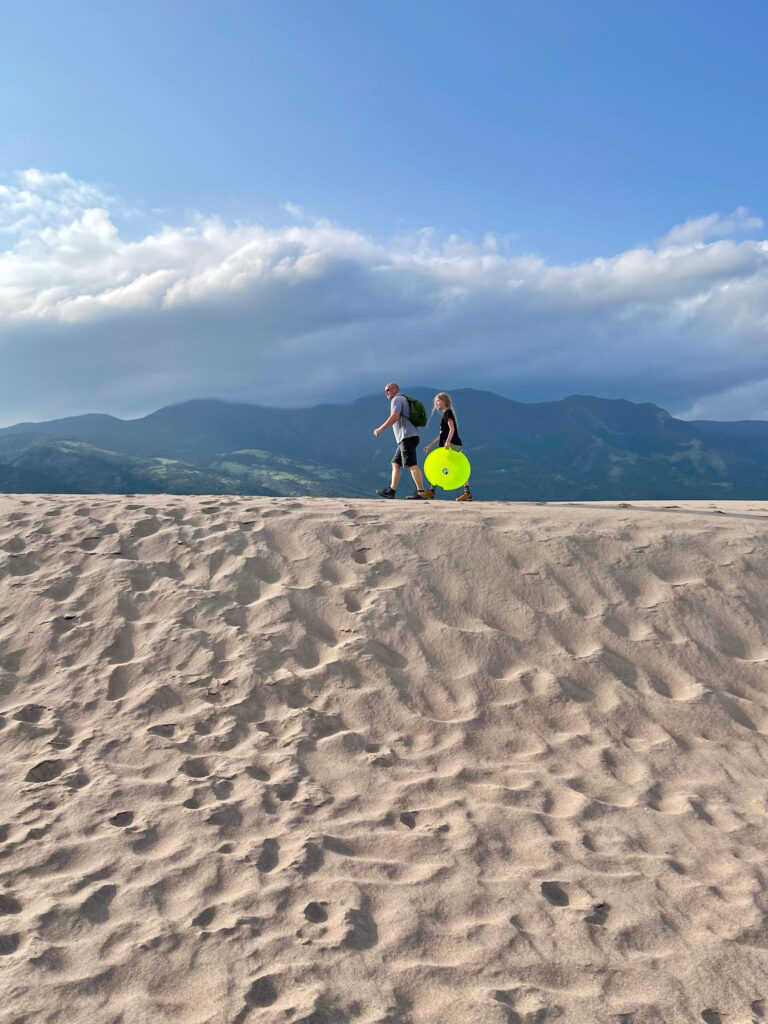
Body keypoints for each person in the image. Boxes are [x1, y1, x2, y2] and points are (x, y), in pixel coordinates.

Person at [373, 383, 432, 499]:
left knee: (411, 465)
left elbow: (394, 416)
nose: (386, 393)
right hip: (407, 437)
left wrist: (380, 429)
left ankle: (421, 492)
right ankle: (391, 490)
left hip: (407, 437)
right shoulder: (403, 399)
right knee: (395, 463)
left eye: (388, 390)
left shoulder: (396, 399)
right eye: (385, 391)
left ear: (396, 389)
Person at [423, 392, 472, 501]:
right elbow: (441, 435)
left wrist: (448, 442)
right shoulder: (446, 414)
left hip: (452, 444)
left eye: (438, 401)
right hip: (450, 444)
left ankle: (432, 491)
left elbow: (452, 429)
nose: (436, 404)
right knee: (449, 466)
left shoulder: (447, 413)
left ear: (445, 401)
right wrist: (430, 446)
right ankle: (466, 492)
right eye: (435, 402)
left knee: (451, 467)